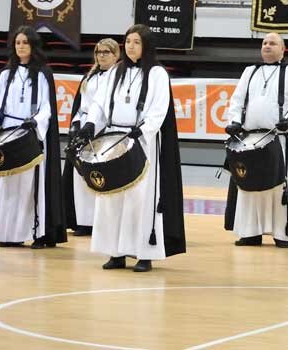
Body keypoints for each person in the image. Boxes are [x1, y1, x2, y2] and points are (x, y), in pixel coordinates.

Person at [77, 24, 186, 272]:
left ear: (145, 46)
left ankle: (143, 253)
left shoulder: (157, 73)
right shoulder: (116, 71)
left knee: (140, 200)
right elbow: (100, 104)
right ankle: (116, 252)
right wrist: (92, 124)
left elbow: (160, 108)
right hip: (112, 139)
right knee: (112, 197)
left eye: (136, 42)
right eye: (127, 42)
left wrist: (144, 129)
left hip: (141, 142)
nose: (130, 46)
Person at [222, 32, 288, 248]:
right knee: (248, 185)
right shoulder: (250, 72)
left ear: (283, 50)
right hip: (248, 139)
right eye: (264, 43)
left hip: (279, 139)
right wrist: (235, 121)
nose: (267, 46)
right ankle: (249, 232)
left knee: (279, 187)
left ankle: (282, 234)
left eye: (273, 43)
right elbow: (237, 101)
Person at [0, 25, 66, 249]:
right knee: (7, 184)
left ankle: (37, 232)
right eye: (17, 43)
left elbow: (46, 108)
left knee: (28, 187)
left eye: (25, 42)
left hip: (29, 136)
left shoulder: (43, 74)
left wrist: (35, 121)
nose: (21, 46)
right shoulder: (6, 74)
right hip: (7, 134)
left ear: (33, 46)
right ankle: (7, 233)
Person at [63, 38, 119, 238]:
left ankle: (101, 222)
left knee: (102, 175)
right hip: (84, 130)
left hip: (104, 131)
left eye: (106, 52)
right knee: (81, 176)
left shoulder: (117, 77)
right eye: (98, 52)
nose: (101, 55)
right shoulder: (89, 78)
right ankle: (83, 221)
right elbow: (81, 105)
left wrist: (97, 127)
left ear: (115, 55)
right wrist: (76, 124)